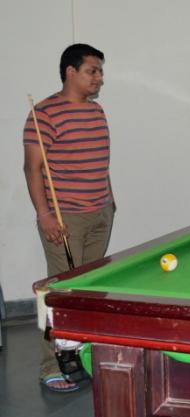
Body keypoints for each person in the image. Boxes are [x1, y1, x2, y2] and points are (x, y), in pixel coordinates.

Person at [23, 43, 115, 392]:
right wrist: (44, 215)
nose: (99, 77)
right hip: (65, 219)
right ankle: (51, 365)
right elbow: (32, 168)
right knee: (61, 292)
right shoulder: (43, 114)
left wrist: (110, 200)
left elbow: (102, 161)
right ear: (70, 72)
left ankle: (85, 356)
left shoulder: (97, 111)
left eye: (100, 71)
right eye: (93, 70)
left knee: (90, 291)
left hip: (100, 213)